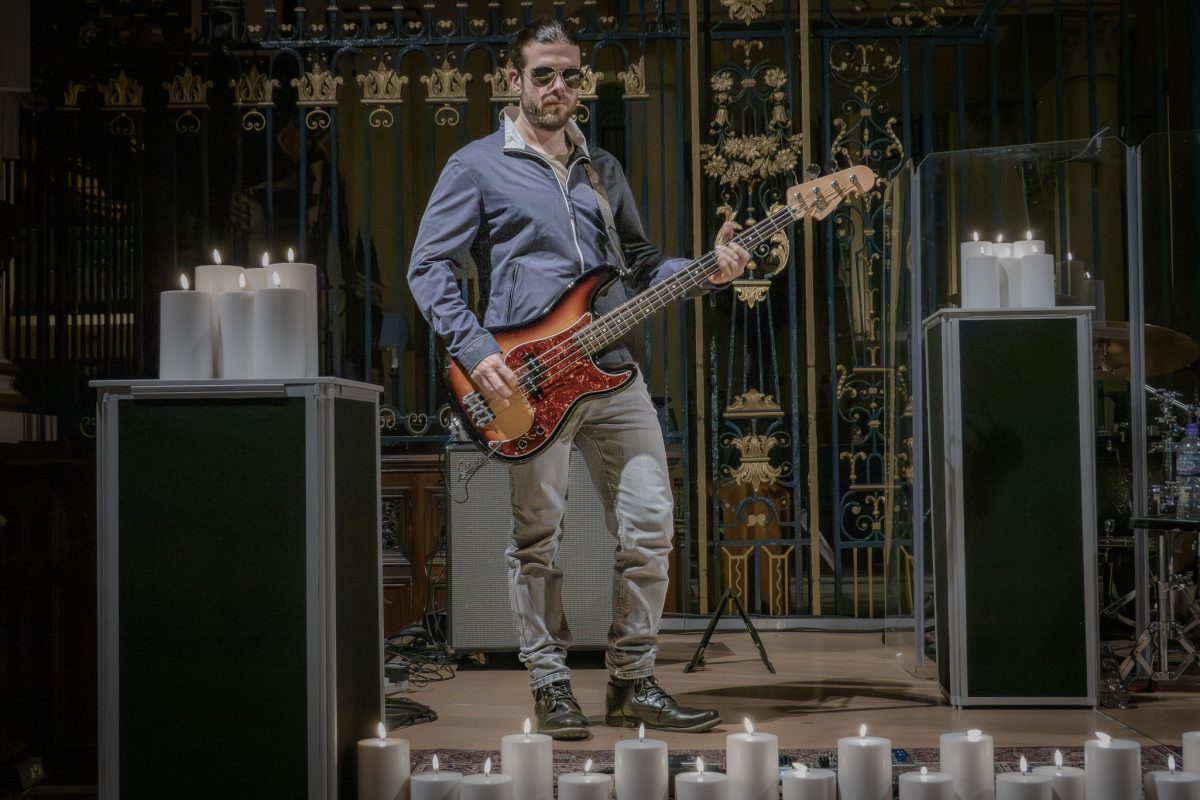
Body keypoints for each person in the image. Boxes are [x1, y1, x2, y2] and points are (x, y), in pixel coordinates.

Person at [407, 18, 750, 740]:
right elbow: (428, 269)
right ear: (513, 81)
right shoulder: (474, 167)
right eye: (543, 74)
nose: (558, 87)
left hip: (615, 373)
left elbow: (641, 260)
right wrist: (475, 352)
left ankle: (633, 682)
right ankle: (551, 682)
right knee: (538, 537)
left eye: (569, 74)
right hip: (524, 382)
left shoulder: (604, 169)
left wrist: (702, 271)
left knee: (652, 524)